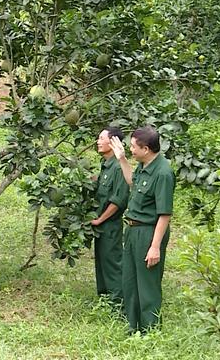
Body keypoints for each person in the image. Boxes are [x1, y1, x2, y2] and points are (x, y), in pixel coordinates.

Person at [109, 126, 176, 334]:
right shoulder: (144, 165)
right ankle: (134, 326)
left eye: (132, 147)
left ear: (146, 149)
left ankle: (151, 331)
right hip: (132, 230)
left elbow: (164, 214)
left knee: (147, 285)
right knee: (130, 281)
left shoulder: (163, 172)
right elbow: (133, 182)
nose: (130, 150)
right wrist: (121, 159)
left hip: (149, 232)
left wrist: (155, 246)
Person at [91, 127, 129, 307]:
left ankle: (117, 302)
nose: (98, 141)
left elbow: (118, 200)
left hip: (110, 225)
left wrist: (100, 219)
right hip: (102, 224)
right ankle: (105, 299)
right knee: (102, 261)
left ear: (113, 142)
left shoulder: (118, 167)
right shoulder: (106, 165)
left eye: (101, 138)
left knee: (112, 263)